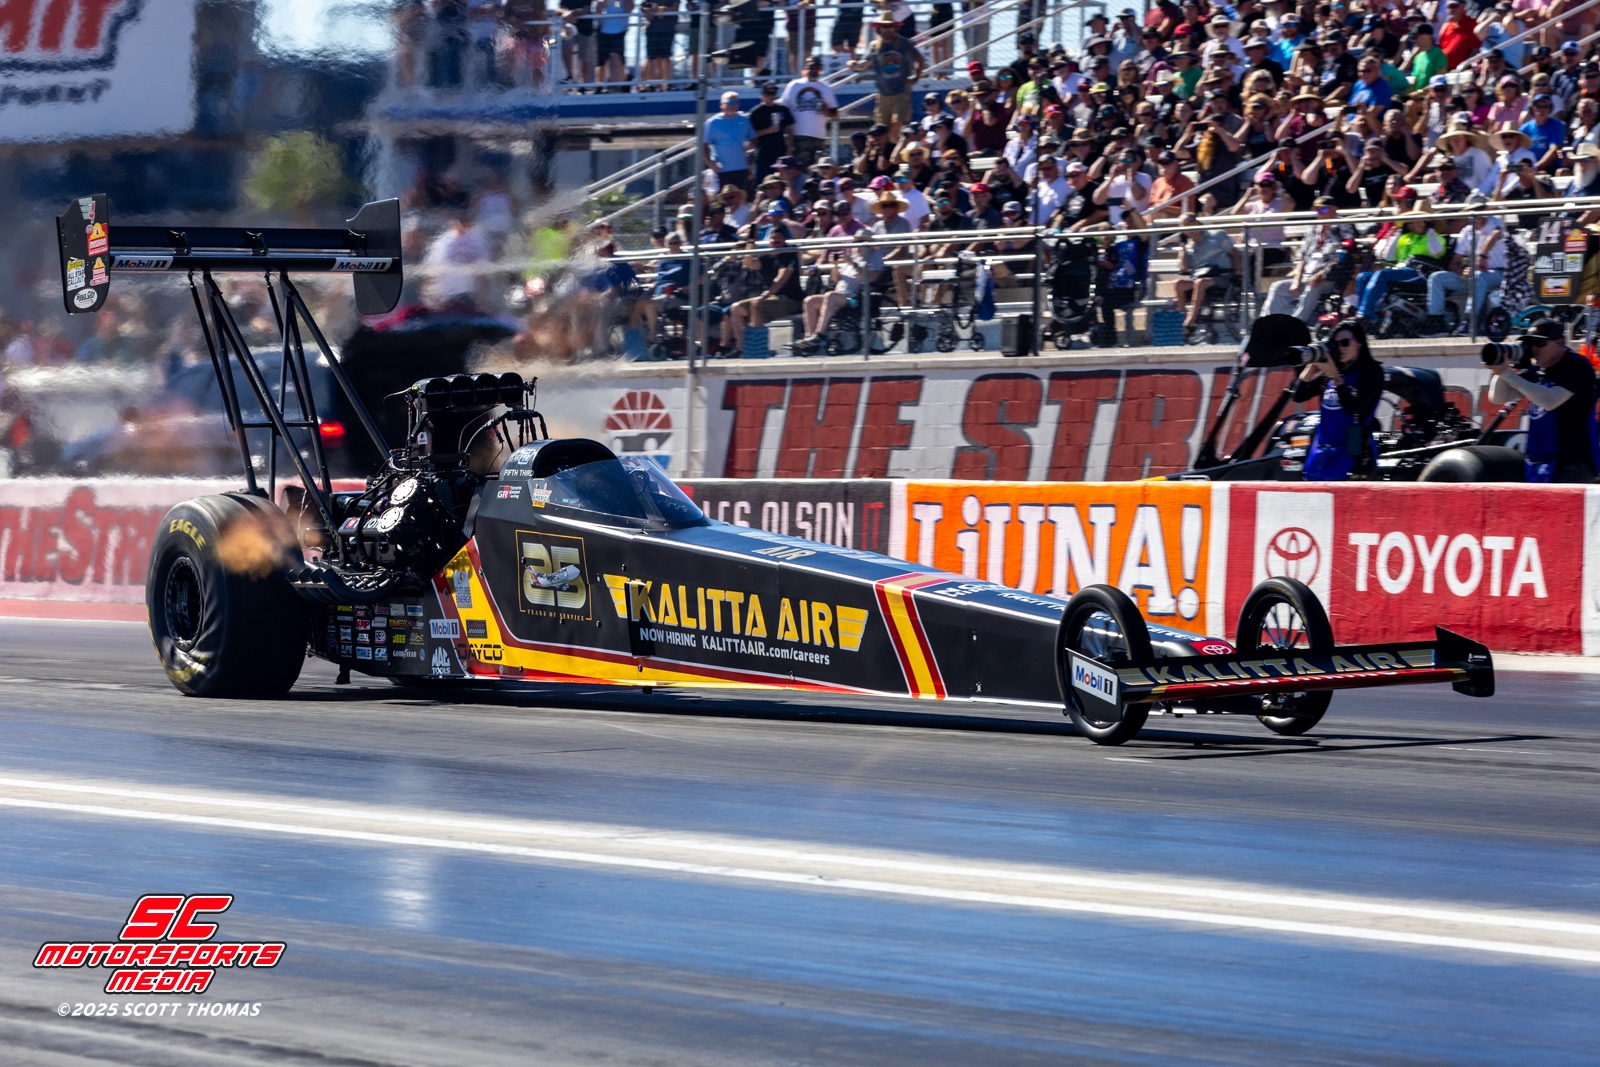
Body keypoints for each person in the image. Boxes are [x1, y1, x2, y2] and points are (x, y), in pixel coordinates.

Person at [1488, 318, 1600, 481]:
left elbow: (1549, 401)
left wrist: (1508, 375)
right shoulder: (1537, 371)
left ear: (1559, 342)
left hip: (1573, 463)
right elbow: (1498, 397)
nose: (1534, 349)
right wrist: (1501, 368)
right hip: (1540, 462)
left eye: (1540, 343)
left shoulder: (1577, 366)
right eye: (1531, 344)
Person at [1292, 318, 1384, 480]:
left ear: (1359, 343)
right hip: (1322, 449)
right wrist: (1312, 363)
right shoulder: (1331, 373)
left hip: (1350, 449)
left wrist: (1335, 376)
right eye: (1336, 344)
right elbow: (1298, 395)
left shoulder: (1372, 372)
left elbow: (1351, 407)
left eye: (1345, 343)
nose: (1341, 348)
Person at [1264, 195, 1357, 321]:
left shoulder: (1342, 226)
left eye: (1323, 209)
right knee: (1278, 287)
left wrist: (1322, 273)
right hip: (1307, 275)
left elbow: (1345, 255)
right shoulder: (1314, 228)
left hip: (1330, 277)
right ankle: (1267, 323)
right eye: (1317, 210)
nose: (1320, 213)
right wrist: (1296, 280)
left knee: (1312, 286)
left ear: (1334, 209)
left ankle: (1297, 323)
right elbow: (1302, 256)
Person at [723, 227, 804, 357]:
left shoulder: (789, 254)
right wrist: (751, 241)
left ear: (785, 240)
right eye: (773, 238)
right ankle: (742, 347)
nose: (776, 240)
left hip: (791, 300)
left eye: (780, 237)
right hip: (770, 299)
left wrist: (766, 294)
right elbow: (749, 262)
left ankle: (758, 349)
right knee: (736, 308)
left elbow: (781, 278)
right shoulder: (765, 257)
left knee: (757, 305)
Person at [850, 15, 925, 141]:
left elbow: (920, 59)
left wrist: (916, 77)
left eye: (890, 26)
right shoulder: (874, 46)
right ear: (879, 29)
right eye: (884, 26)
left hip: (901, 92)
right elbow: (864, 64)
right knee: (881, 129)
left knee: (898, 121)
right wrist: (853, 64)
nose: (887, 29)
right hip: (882, 95)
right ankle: (889, 148)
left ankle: (891, 146)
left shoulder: (904, 43)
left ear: (895, 28)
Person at [1172, 214, 1240, 331]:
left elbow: (1235, 254)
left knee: (1200, 283)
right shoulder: (1189, 247)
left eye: (1190, 223)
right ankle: (1182, 320)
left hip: (1222, 277)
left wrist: (1239, 275)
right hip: (1200, 278)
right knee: (1179, 284)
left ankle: (1190, 321)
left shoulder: (1217, 235)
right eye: (1184, 227)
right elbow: (1184, 267)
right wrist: (1182, 247)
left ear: (1198, 222)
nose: (1189, 228)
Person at [780, 58, 838, 168]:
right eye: (811, 67)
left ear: (820, 70)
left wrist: (826, 109)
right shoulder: (794, 85)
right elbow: (783, 108)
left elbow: (834, 112)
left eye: (817, 67)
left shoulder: (825, 87)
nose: (814, 70)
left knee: (817, 170)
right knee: (801, 167)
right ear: (806, 69)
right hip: (799, 135)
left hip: (819, 137)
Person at [704, 91, 757, 193]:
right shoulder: (713, 122)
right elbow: (704, 145)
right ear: (721, 104)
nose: (732, 106)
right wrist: (710, 163)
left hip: (741, 168)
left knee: (741, 196)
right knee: (722, 199)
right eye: (729, 103)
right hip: (721, 170)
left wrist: (751, 144)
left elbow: (753, 138)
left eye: (735, 103)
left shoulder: (744, 120)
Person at [749, 84, 796, 182]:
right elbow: (750, 135)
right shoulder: (755, 112)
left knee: (782, 183)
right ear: (762, 95)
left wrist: (789, 149)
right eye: (768, 93)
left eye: (773, 93)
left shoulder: (782, 109)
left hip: (780, 155)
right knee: (762, 183)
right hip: (763, 155)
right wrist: (767, 130)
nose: (771, 96)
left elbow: (790, 130)